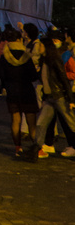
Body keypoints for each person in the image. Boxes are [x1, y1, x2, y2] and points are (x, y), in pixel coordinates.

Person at [0, 25, 39, 158]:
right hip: (26, 90)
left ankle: (17, 148)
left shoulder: (5, 56)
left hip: (12, 90)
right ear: (19, 40)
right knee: (32, 123)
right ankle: (37, 148)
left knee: (16, 121)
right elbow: (33, 76)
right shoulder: (26, 55)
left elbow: (1, 75)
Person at [35, 30, 75, 160]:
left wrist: (70, 99)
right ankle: (37, 148)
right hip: (50, 97)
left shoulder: (55, 61)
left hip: (59, 97)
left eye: (40, 46)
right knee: (41, 123)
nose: (38, 48)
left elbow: (64, 80)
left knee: (71, 123)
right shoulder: (44, 61)